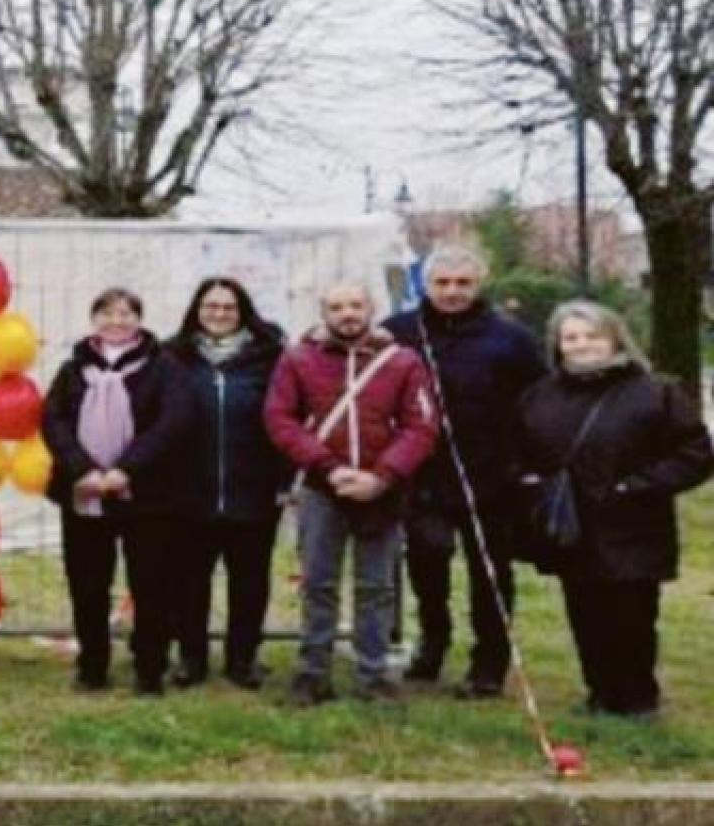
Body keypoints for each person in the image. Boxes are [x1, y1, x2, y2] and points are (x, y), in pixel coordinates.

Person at [514, 300, 711, 718]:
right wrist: (531, 485)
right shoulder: (539, 396)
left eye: (592, 336)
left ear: (614, 338)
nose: (582, 345)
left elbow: (694, 454)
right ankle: (600, 692)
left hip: (634, 525)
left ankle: (638, 698)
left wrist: (638, 487)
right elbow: (516, 453)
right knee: (586, 613)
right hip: (572, 527)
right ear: (558, 345)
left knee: (633, 615)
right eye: (572, 338)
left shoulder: (656, 393)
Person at [381, 245, 547, 698]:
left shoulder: (512, 338)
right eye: (443, 283)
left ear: (479, 284)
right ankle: (432, 645)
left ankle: (489, 662)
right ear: (426, 285)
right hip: (423, 474)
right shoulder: (398, 333)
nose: (452, 292)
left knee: (490, 574)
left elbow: (539, 402)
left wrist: (524, 464)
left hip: (491, 476)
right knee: (427, 563)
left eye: (463, 283)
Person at [264, 283, 438, 705]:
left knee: (377, 586)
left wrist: (382, 475)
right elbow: (280, 418)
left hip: (381, 488)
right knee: (318, 582)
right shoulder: (298, 358)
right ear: (324, 312)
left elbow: (421, 425)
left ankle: (374, 673)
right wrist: (329, 466)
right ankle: (312, 672)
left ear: (371, 309)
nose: (347, 314)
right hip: (323, 487)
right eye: (337, 306)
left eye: (355, 305)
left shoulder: (402, 361)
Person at [42, 288, 192, 696]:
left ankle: (150, 667)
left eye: (126, 314)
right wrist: (83, 470)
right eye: (107, 314)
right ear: (94, 320)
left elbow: (173, 423)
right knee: (88, 584)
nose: (116, 322)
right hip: (85, 495)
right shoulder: (72, 370)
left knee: (151, 585)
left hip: (147, 496)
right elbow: (53, 422)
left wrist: (127, 470)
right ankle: (92, 665)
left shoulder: (164, 368)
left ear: (139, 321)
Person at [165, 277, 287, 691]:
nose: (219, 314)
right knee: (187, 581)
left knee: (250, 581)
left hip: (253, 491)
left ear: (243, 312)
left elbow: (288, 419)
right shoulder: (172, 357)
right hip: (189, 494)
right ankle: (191, 658)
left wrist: (284, 479)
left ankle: (243, 658)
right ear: (197, 311)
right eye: (211, 306)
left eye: (228, 307)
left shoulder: (269, 358)